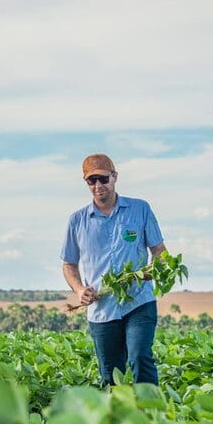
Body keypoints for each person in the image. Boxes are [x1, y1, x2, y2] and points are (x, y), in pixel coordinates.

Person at [61, 153, 167, 387]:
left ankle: (152, 415)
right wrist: (79, 290)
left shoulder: (140, 209)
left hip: (139, 301)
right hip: (101, 308)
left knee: (140, 357)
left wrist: (154, 269)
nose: (98, 185)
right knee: (111, 374)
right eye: (92, 181)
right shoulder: (77, 220)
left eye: (103, 179)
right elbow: (68, 263)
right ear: (86, 183)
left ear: (114, 177)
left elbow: (159, 250)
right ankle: (119, 419)